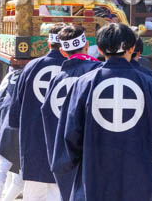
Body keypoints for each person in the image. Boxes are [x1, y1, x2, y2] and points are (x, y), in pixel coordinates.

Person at [53, 23, 152, 201]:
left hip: (94, 172)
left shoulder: (83, 83)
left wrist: (68, 164)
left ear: (98, 49)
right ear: (131, 48)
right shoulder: (150, 83)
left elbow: (70, 131)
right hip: (139, 173)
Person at [41, 24, 100, 200]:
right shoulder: (98, 72)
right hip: (94, 150)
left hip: (64, 152)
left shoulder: (57, 79)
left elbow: (47, 116)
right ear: (87, 45)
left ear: (64, 52)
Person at [9, 23, 67, 201]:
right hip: (63, 143)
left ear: (48, 44)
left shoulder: (31, 67)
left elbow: (14, 112)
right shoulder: (73, 68)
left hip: (33, 141)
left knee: (33, 195)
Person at [0, 66, 23, 201]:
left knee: (2, 169)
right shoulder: (31, 73)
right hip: (17, 125)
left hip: (5, 122)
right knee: (17, 175)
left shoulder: (10, 75)